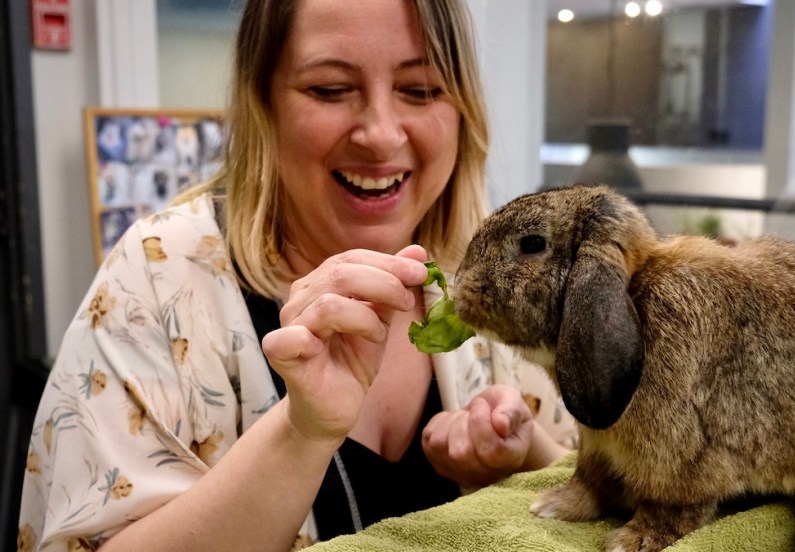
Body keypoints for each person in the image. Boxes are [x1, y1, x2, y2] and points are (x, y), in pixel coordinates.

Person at [17, 1, 578, 551]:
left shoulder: (503, 273)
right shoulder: (159, 275)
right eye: (331, 90)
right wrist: (301, 431)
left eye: (421, 90)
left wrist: (525, 461)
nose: (381, 135)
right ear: (263, 101)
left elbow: (623, 506)